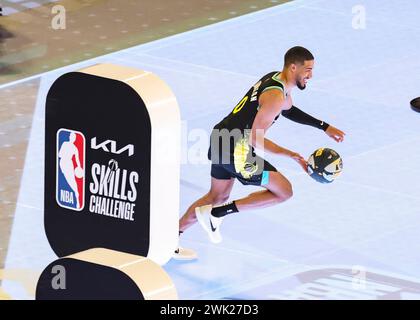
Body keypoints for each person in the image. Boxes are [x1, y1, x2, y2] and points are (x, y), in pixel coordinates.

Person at [174, 46, 345, 260]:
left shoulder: (275, 79)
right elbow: (256, 138)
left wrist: (323, 126)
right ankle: (217, 213)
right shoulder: (274, 95)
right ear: (293, 67)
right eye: (307, 70)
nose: (311, 75)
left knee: (217, 195)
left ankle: (171, 238)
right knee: (284, 191)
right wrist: (292, 155)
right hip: (235, 149)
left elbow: (288, 109)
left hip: (221, 137)